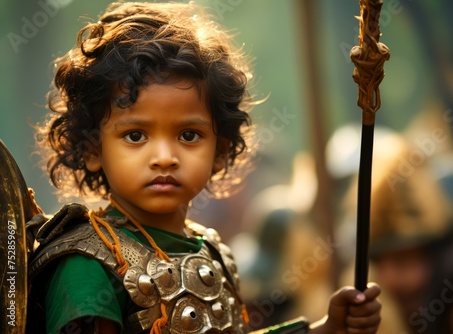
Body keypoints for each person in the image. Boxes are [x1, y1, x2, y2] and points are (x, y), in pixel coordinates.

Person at [27, 2, 381, 334]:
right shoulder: (84, 266)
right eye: (136, 135)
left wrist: (325, 329)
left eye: (188, 134)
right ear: (92, 149)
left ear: (219, 151)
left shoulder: (212, 251)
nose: (164, 156)